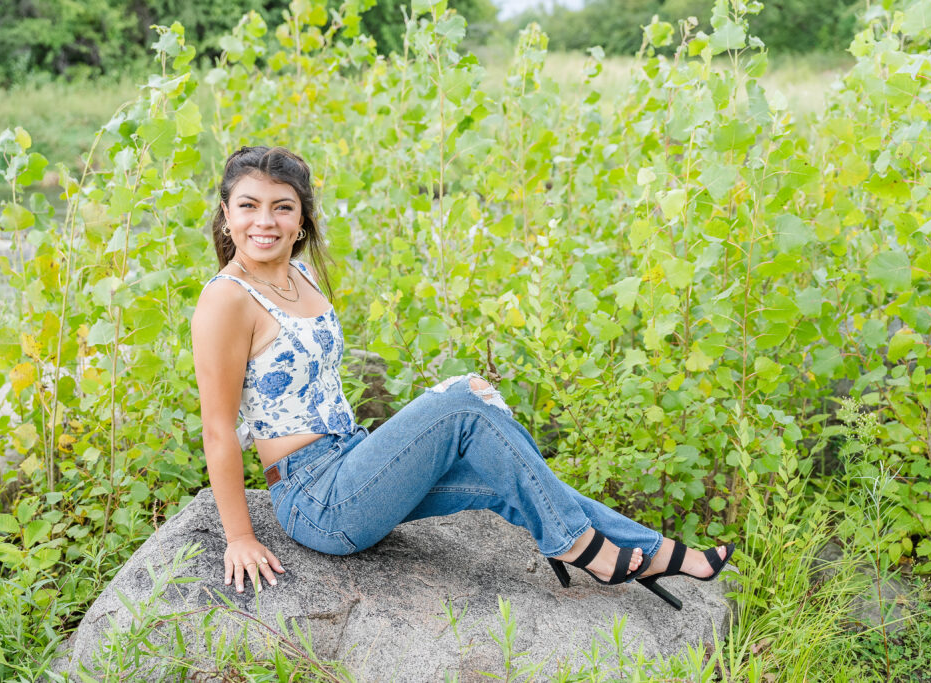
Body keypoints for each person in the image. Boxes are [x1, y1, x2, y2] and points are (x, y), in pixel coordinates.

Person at [191, 146, 734, 611]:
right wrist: (239, 536)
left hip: (354, 461)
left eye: (282, 208)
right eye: (249, 206)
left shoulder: (297, 272)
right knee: (464, 405)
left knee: (509, 472)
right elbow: (217, 429)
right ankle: (581, 548)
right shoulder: (225, 300)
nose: (265, 221)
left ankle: (656, 554)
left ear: (302, 218)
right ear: (225, 213)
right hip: (317, 499)